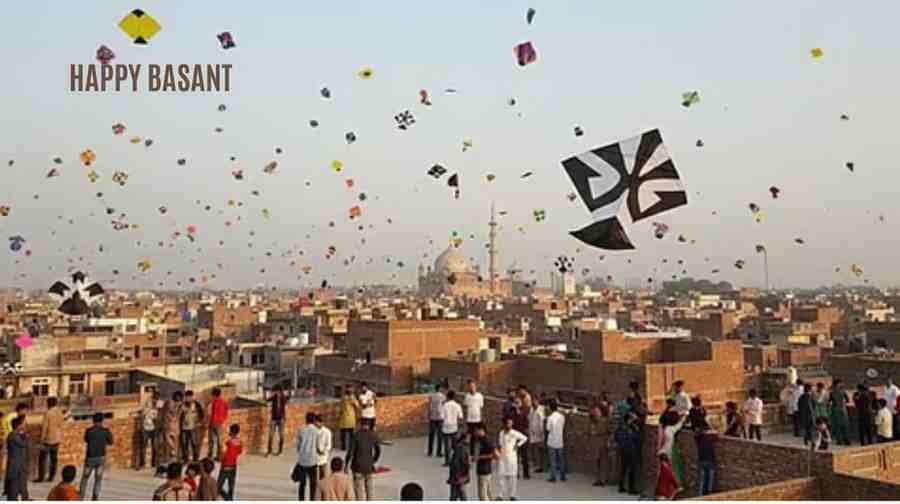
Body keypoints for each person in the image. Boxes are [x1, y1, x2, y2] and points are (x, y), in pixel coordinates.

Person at [345, 416, 381, 500]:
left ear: (360, 424)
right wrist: (373, 460)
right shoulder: (373, 435)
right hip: (369, 466)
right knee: (369, 490)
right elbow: (378, 450)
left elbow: (350, 452)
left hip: (357, 467)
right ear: (368, 425)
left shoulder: (356, 435)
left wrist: (346, 464)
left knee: (358, 490)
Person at [80, 412, 113, 500]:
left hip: (90, 457)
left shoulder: (89, 431)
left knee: (84, 479)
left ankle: (81, 497)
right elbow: (111, 442)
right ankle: (95, 497)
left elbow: (86, 440)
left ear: (93, 420)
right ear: (102, 420)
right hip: (101, 457)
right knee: (98, 479)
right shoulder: (105, 431)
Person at [655, 411, 686, 500]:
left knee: (663, 477)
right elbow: (679, 425)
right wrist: (683, 417)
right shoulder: (670, 429)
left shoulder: (664, 428)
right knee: (667, 474)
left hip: (662, 453)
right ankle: (673, 489)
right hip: (665, 454)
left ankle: (666, 494)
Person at [497, 417, 528, 501]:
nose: (510, 425)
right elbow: (500, 444)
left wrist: (517, 445)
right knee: (501, 477)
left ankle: (512, 495)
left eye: (511, 423)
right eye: (508, 423)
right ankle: (500, 495)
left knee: (513, 477)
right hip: (503, 458)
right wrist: (498, 454)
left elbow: (525, 438)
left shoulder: (514, 433)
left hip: (512, 458)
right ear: (504, 424)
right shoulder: (501, 433)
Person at [36, 396, 65, 483]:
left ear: (48, 403)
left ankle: (41, 477)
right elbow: (61, 424)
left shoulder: (48, 413)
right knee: (54, 459)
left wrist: (41, 440)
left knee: (42, 459)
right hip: (57, 438)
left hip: (48, 439)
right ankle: (51, 477)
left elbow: (44, 428)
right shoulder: (59, 412)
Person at [615, 408, 640, 495]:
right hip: (630, 449)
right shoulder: (630, 427)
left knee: (624, 468)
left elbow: (617, 437)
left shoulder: (622, 426)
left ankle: (621, 486)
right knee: (631, 469)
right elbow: (635, 437)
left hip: (624, 449)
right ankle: (631, 488)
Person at [296, 412, 320, 500]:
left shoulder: (301, 429)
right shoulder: (316, 431)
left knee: (302, 483)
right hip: (312, 460)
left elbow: (298, 445)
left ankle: (301, 499)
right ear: (313, 420)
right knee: (313, 483)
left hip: (302, 459)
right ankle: (312, 499)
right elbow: (318, 446)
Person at [5, 416, 30, 501]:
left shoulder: (15, 435)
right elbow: (23, 444)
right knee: (14, 486)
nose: (24, 425)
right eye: (22, 424)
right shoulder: (13, 436)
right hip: (15, 466)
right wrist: (26, 436)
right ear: (18, 426)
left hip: (18, 466)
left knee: (19, 486)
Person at [217, 424, 242, 501]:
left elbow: (223, 454)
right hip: (233, 466)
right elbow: (239, 452)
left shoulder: (227, 443)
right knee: (231, 487)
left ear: (231, 432)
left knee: (218, 487)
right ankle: (229, 499)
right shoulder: (239, 442)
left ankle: (227, 498)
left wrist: (219, 458)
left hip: (225, 466)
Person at [139, 391, 162, 471]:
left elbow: (160, 417)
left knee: (155, 446)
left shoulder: (160, 405)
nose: (155, 400)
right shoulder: (147, 405)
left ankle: (154, 463)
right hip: (146, 428)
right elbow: (142, 416)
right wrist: (141, 427)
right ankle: (142, 463)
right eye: (155, 398)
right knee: (143, 446)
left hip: (154, 429)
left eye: (157, 399)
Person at [440, 390, 464, 467]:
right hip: (454, 428)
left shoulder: (444, 405)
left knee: (447, 446)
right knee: (455, 446)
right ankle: (457, 460)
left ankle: (448, 461)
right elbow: (460, 417)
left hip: (446, 428)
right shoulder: (457, 406)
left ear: (447, 397)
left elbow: (441, 417)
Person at [473, 425, 497, 501]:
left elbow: (496, 455)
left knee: (482, 494)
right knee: (488, 492)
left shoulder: (487, 441)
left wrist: (480, 457)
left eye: (477, 430)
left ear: (482, 430)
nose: (476, 432)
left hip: (485, 470)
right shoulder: (478, 440)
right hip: (481, 469)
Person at [180, 390, 204, 463]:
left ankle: (195, 459)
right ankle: (185, 459)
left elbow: (201, 415)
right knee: (184, 444)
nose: (189, 398)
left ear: (192, 397)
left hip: (193, 428)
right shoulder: (182, 405)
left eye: (190, 397)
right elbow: (179, 416)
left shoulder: (197, 405)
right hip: (184, 428)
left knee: (194, 443)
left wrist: (199, 422)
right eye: (187, 397)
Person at [545, 399, 566, 483]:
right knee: (561, 459)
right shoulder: (562, 417)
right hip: (560, 440)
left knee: (553, 460)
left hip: (552, 441)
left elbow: (548, 429)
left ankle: (553, 476)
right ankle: (562, 476)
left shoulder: (550, 418)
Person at [695, 422, 718, 496]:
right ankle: (709, 493)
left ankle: (701, 494)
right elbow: (716, 436)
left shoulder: (698, 438)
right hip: (710, 459)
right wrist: (711, 431)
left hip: (701, 459)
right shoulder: (710, 437)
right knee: (710, 478)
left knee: (702, 478)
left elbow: (696, 434)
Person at [207, 387, 229, 460]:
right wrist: (223, 420)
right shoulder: (224, 402)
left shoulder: (213, 403)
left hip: (214, 423)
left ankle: (211, 456)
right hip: (219, 423)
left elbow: (210, 413)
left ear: (214, 395)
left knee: (212, 441)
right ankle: (219, 456)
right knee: (219, 441)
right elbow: (226, 413)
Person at [266, 385, 289, 457]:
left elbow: (286, 401)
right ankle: (269, 451)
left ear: (279, 391)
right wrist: (271, 395)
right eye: (275, 391)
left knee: (281, 435)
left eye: (277, 391)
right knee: (271, 435)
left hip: (281, 418)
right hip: (274, 418)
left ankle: (280, 451)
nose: (276, 393)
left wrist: (283, 395)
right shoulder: (274, 397)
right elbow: (267, 399)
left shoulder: (283, 397)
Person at [512, 395, 531, 480]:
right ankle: (516, 473)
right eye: (515, 403)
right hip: (515, 437)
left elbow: (526, 425)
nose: (517, 404)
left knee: (525, 456)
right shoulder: (512, 413)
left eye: (518, 403)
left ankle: (526, 473)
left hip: (523, 436)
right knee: (515, 456)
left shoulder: (524, 413)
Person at [463, 380, 485, 454]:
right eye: (470, 386)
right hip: (470, 419)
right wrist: (465, 419)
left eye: (473, 386)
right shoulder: (467, 396)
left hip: (478, 419)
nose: (472, 388)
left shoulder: (480, 396)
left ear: (475, 386)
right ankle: (472, 453)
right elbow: (465, 407)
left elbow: (481, 407)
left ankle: (482, 451)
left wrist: (482, 418)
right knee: (472, 436)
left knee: (480, 435)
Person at [447, 432, 470, 501]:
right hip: (459, 476)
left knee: (454, 494)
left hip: (456, 475)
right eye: (468, 438)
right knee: (461, 494)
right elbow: (459, 463)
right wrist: (461, 475)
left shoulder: (460, 448)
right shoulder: (462, 448)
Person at [163, 392, 184, 468]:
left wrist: (175, 417)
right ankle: (170, 459)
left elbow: (179, 414)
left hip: (175, 425)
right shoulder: (170, 403)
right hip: (170, 424)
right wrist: (171, 418)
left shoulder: (180, 405)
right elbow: (167, 413)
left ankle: (174, 460)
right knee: (169, 443)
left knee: (175, 443)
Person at [828, 380, 851, 446]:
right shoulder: (842, 392)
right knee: (841, 426)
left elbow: (829, 402)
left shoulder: (833, 392)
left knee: (841, 426)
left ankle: (842, 440)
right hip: (840, 410)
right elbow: (847, 400)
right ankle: (843, 440)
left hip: (838, 410)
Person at [527, 396, 546, 474]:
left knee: (539, 450)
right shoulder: (531, 409)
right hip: (532, 432)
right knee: (533, 448)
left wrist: (542, 434)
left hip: (539, 434)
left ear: (538, 401)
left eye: (535, 401)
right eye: (532, 401)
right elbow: (529, 418)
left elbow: (541, 422)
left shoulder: (541, 409)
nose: (533, 403)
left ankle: (540, 466)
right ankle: (535, 463)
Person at [427, 383, 446, 458]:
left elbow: (429, 406)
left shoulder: (431, 396)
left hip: (432, 417)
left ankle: (430, 451)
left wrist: (429, 415)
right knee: (440, 436)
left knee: (431, 435)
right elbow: (444, 405)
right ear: (440, 389)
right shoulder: (442, 396)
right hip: (440, 417)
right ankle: (438, 452)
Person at [339, 386, 359, 453]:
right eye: (348, 389)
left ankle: (351, 446)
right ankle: (343, 447)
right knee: (343, 434)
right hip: (344, 417)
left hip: (350, 418)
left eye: (351, 389)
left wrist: (352, 398)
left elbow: (357, 405)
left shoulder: (352, 397)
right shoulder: (343, 397)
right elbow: (341, 407)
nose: (350, 390)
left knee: (351, 434)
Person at [316, 414, 333, 480]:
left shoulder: (327, 432)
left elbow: (329, 445)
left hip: (323, 456)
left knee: (322, 475)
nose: (318, 424)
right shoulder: (313, 431)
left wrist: (323, 451)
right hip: (314, 456)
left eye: (320, 422)